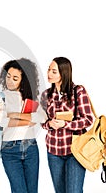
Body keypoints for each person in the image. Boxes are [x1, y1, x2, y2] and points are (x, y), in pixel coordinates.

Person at [40, 57, 94, 193]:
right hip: (53, 151)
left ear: (63, 73)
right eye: (48, 70)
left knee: (74, 191)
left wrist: (65, 124)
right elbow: (42, 122)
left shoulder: (78, 91)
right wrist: (49, 124)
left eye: (54, 71)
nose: (49, 74)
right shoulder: (46, 95)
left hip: (75, 151)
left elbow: (88, 119)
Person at [0, 58, 46, 193]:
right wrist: (28, 121)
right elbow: (2, 121)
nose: (10, 81)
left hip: (31, 147)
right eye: (8, 76)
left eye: (15, 78)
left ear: (23, 80)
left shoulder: (32, 97)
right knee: (19, 190)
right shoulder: (1, 96)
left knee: (32, 190)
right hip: (9, 149)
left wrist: (14, 114)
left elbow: (41, 117)